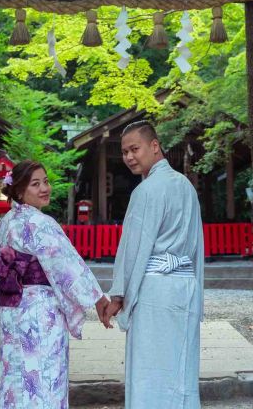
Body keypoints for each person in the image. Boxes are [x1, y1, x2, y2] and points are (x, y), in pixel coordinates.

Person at [0, 160, 110, 408]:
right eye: (35, 184)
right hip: (40, 313)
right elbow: (68, 267)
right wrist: (98, 299)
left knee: (16, 377)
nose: (45, 188)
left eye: (46, 181)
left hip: (11, 309)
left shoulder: (5, 223)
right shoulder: (41, 224)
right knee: (43, 375)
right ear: (20, 191)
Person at [103, 121, 204, 408]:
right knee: (181, 366)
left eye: (135, 149)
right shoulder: (186, 186)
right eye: (124, 152)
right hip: (185, 285)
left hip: (156, 290)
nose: (129, 157)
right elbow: (197, 244)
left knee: (150, 370)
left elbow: (133, 248)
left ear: (155, 146)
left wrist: (119, 294)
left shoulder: (146, 191)